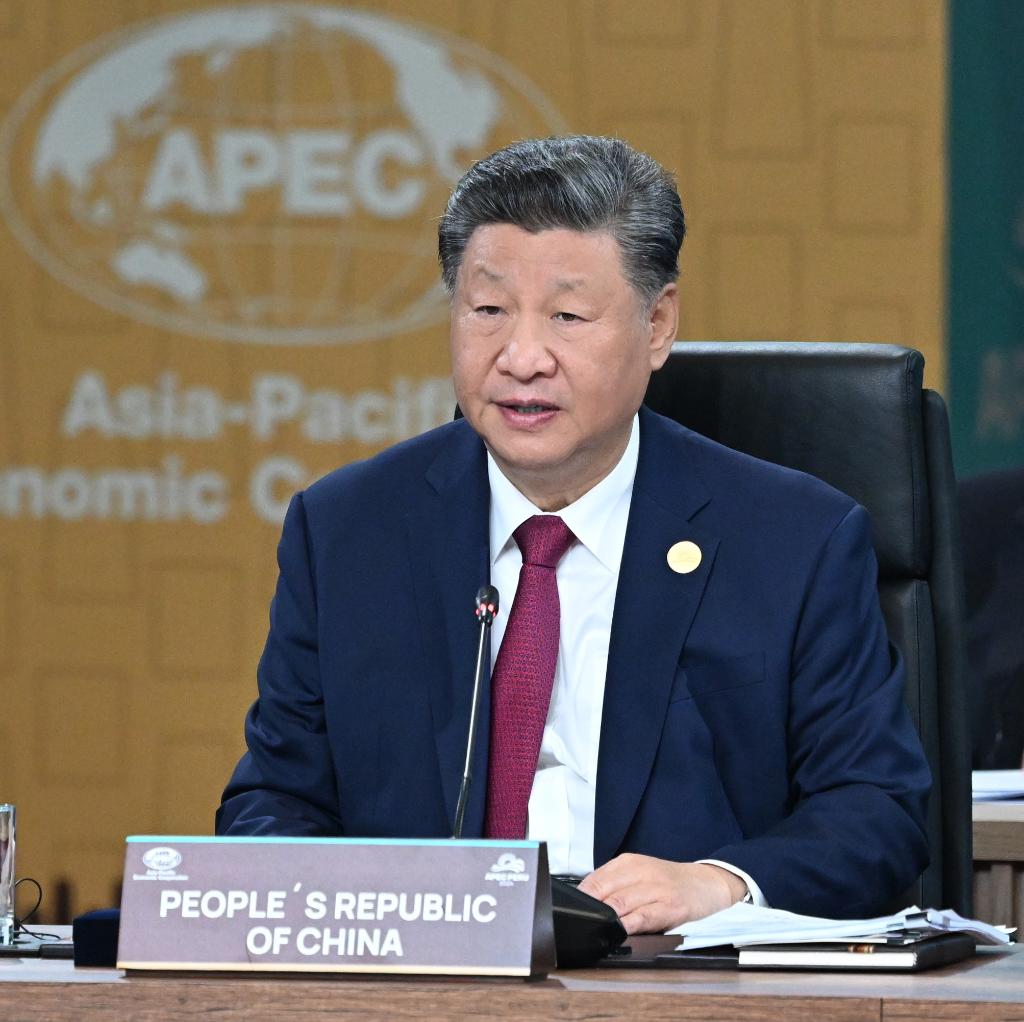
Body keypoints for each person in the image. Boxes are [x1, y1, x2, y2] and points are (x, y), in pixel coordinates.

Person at [217, 135, 930, 931]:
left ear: (657, 325)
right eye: (487, 311)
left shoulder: (793, 540)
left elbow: (878, 812)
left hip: (681, 994)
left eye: (566, 315)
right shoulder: (350, 530)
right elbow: (275, 798)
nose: (522, 357)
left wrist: (721, 883)